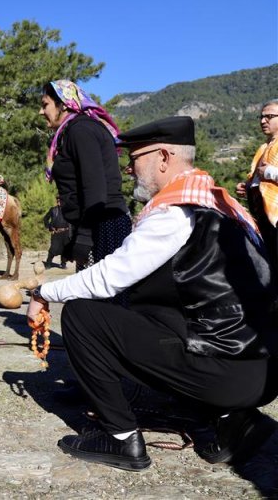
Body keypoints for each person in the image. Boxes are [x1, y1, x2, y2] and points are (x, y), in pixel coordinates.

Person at [26, 116, 278, 472]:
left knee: (82, 314)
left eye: (134, 160)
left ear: (162, 157)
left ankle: (120, 438)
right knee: (154, 311)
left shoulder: (176, 213)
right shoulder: (222, 205)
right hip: (263, 371)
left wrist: (43, 292)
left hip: (226, 372)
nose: (129, 170)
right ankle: (231, 420)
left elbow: (108, 278)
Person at [40, 80, 131, 270]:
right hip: (95, 226)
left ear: (64, 104)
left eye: (45, 105)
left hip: (105, 226)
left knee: (103, 296)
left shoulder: (81, 131)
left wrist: (84, 236)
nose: (41, 112)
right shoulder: (72, 131)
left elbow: (95, 189)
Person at [237, 99, 278, 271]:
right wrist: (246, 186)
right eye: (261, 117)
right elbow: (259, 179)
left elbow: (267, 173)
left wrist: (269, 172)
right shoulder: (264, 148)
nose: (263, 121)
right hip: (263, 219)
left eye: (269, 117)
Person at [43, 196, 70, 269]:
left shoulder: (68, 210)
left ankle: (63, 264)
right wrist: (50, 227)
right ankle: (48, 263)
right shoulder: (53, 210)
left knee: (65, 249)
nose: (59, 201)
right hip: (56, 233)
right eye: (57, 200)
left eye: (60, 200)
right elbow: (45, 218)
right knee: (53, 249)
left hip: (66, 233)